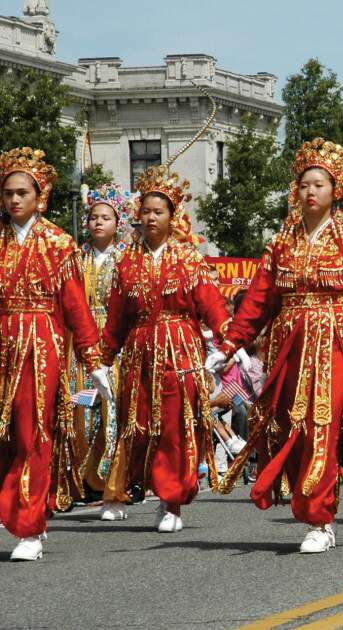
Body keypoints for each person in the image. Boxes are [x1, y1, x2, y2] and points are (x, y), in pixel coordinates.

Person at [213, 139, 343, 553]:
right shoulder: (281, 244)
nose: (310, 191)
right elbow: (259, 301)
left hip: (334, 338)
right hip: (289, 342)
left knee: (323, 421)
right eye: (304, 184)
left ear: (335, 190)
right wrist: (230, 343)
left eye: (319, 183)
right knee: (293, 426)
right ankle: (311, 507)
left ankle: (320, 519)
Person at [99, 165, 232, 533]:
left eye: (160, 211)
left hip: (179, 353)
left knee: (174, 428)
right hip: (140, 356)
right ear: (138, 216)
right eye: (147, 211)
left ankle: (172, 500)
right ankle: (156, 488)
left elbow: (214, 307)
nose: (152, 217)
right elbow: (115, 321)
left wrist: (227, 341)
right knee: (142, 427)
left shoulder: (189, 260)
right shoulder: (126, 262)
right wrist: (102, 361)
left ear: (173, 217)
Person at [0, 147, 111, 561]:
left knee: (32, 432)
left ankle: (29, 527)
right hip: (3, 344)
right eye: (8, 192)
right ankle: (25, 511)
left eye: (22, 192)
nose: (14, 200)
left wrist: (93, 360)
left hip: (39, 346)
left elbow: (75, 307)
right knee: (6, 436)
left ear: (39, 196)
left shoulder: (58, 244)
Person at [72, 184, 135, 519]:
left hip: (114, 346)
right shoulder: (75, 258)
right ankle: (81, 482)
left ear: (117, 221)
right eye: (94, 216)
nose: (98, 222)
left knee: (114, 415)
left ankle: (114, 490)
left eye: (105, 217)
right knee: (80, 414)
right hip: (81, 348)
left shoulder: (127, 258)